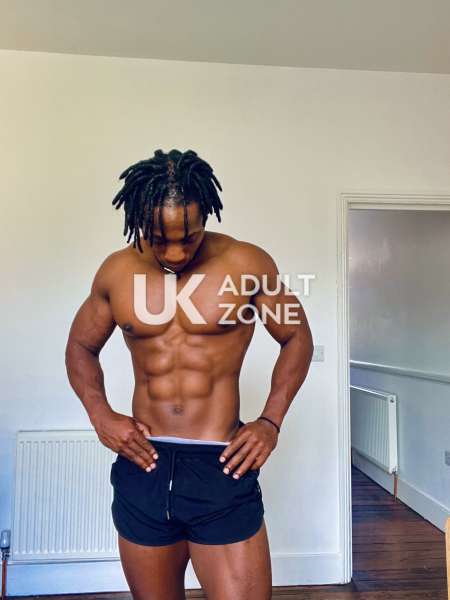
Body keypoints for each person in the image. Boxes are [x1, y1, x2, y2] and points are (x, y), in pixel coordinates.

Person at [65, 148, 314, 600]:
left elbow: (297, 337)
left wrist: (270, 421)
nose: (177, 253)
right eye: (160, 240)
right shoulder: (117, 272)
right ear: (140, 221)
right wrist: (100, 414)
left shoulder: (246, 264)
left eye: (190, 238)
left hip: (221, 463)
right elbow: (81, 347)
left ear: (206, 217)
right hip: (144, 462)